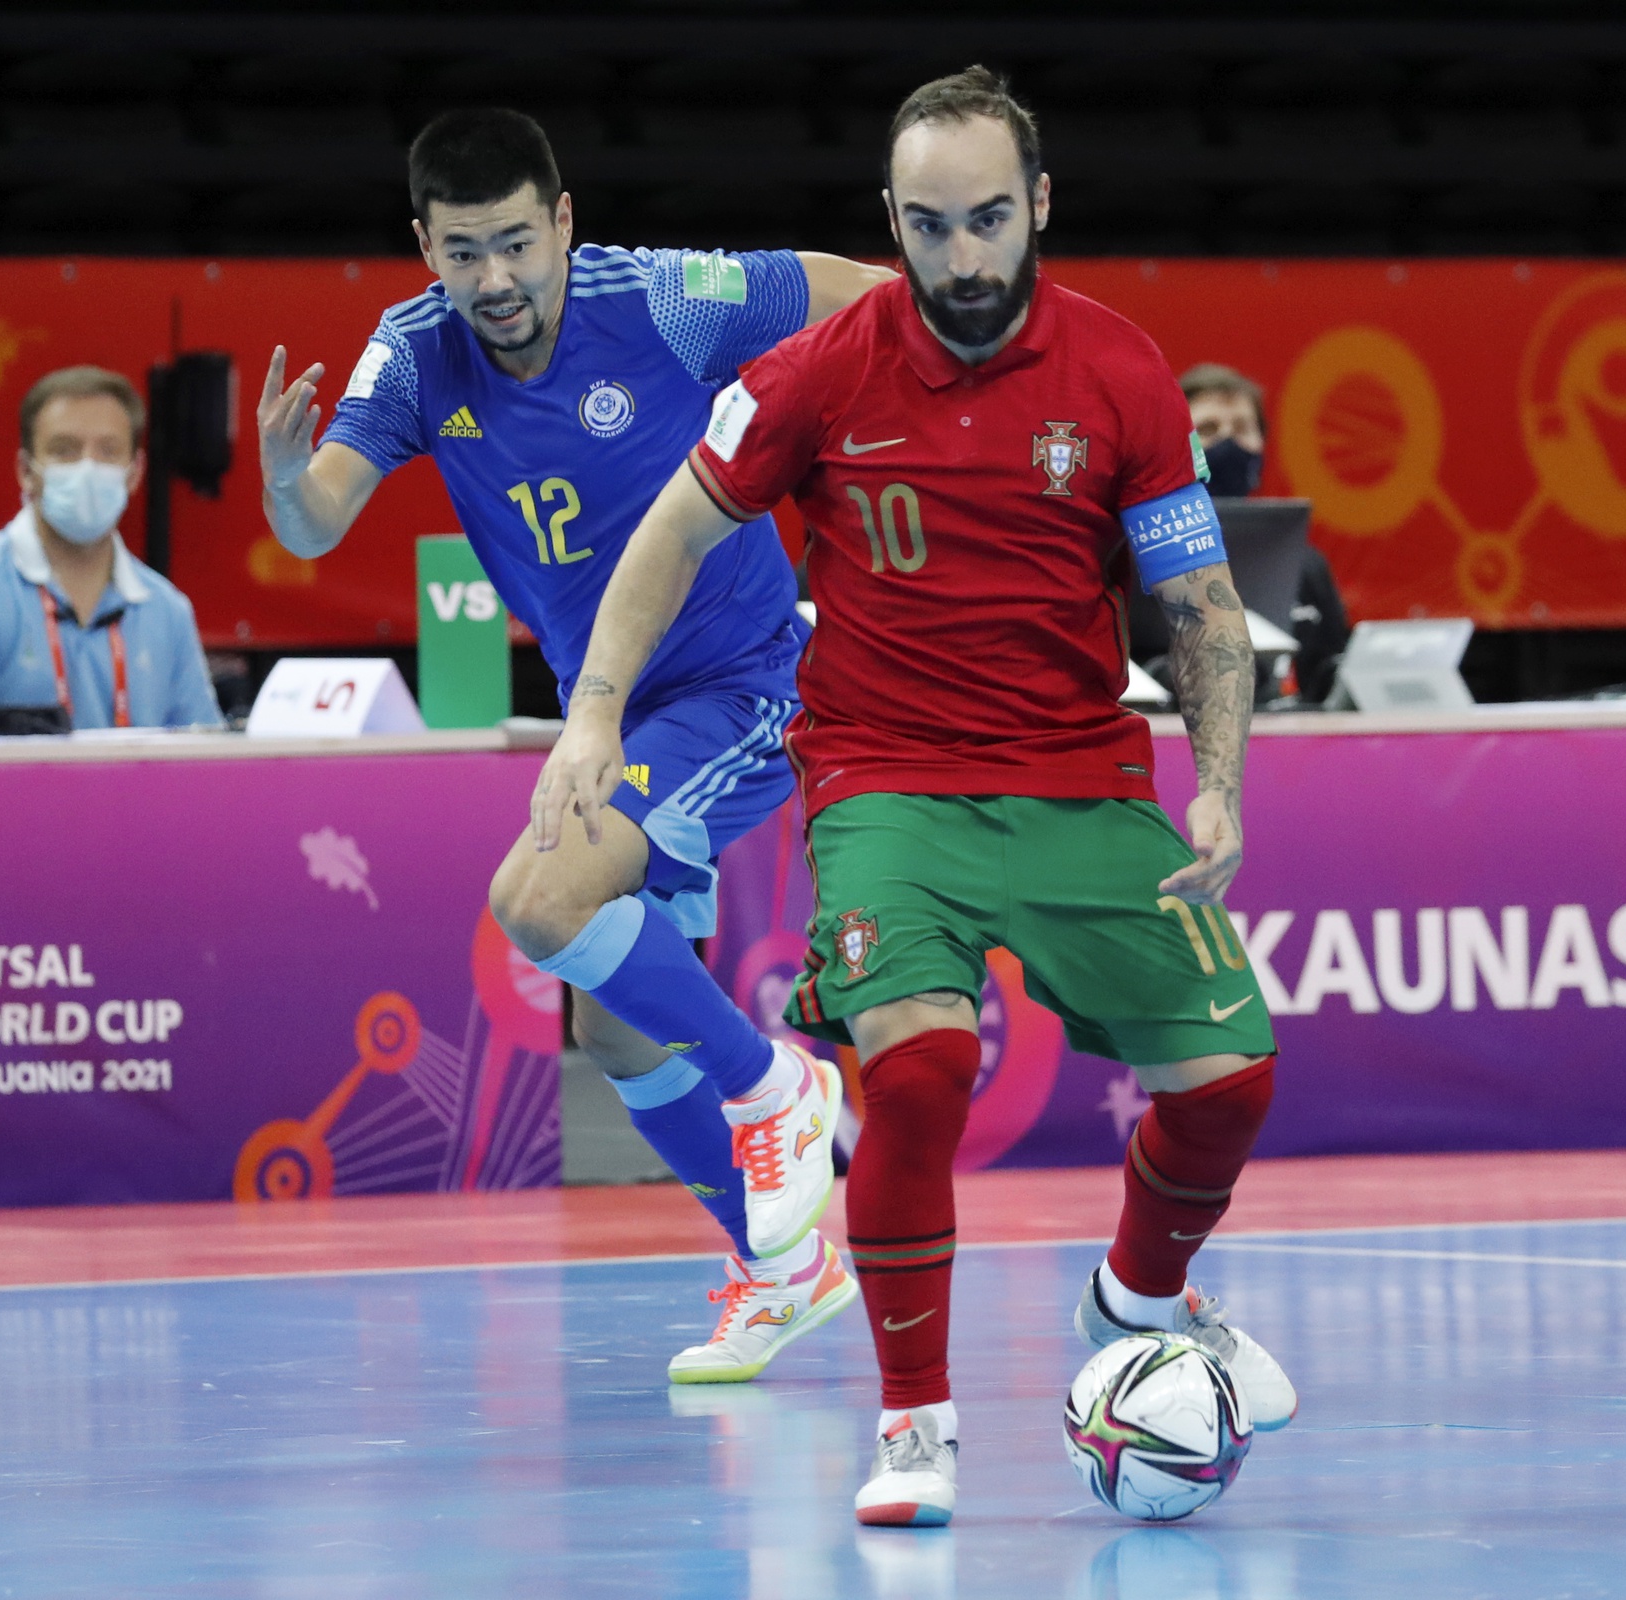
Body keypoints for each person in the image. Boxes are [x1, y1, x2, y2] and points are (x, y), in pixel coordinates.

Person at [532, 67, 1298, 1528]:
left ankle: (1137, 1294)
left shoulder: (1124, 372)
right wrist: (594, 715)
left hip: (1081, 780)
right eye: (931, 226)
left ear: (1040, 208)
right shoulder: (822, 369)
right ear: (891, 220)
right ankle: (916, 1425)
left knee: (1233, 1080)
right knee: (923, 1072)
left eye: (990, 221)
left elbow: (1198, 599)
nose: (962, 258)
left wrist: (1218, 787)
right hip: (887, 783)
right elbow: (673, 532)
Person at [259, 109, 898, 1383]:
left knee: (539, 900)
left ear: (561, 221)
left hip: (745, 683)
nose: (493, 281)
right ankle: (780, 1271)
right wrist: (282, 477)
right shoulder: (416, 350)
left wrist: (959, 352)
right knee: (611, 1034)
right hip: (606, 711)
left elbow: (855, 291)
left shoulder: (658, 297)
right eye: (460, 252)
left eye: (514, 243)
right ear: (423, 247)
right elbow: (318, 518)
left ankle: (773, 1085)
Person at [0, 366, 221, 729]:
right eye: (65, 450)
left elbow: (202, 755)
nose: (88, 467)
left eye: (108, 450)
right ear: (26, 471)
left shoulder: (167, 611)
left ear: (134, 474)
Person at [1180, 360, 1351, 703]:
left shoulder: (1306, 566)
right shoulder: (1141, 558)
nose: (1228, 442)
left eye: (1243, 427)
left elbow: (1333, 677)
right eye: (1209, 429)